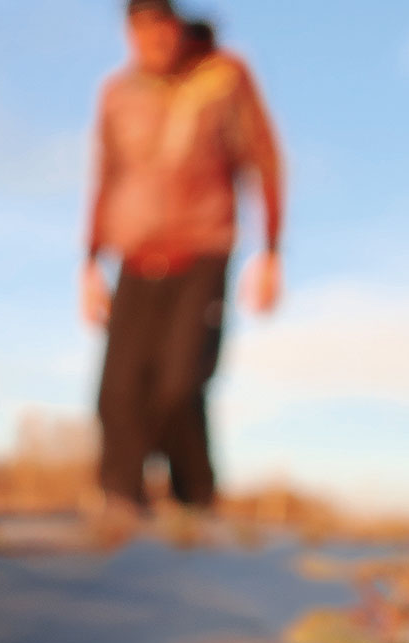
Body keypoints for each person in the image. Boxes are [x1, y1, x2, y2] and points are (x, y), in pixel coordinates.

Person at [81, 0, 283, 510]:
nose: (151, 39)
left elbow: (263, 157)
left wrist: (271, 251)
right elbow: (105, 176)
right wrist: (89, 262)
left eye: (160, 25)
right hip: (134, 255)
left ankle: (195, 502)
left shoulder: (223, 77)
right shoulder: (117, 93)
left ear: (176, 25)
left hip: (201, 249)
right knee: (117, 394)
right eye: (139, 28)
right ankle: (119, 507)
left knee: (179, 385)